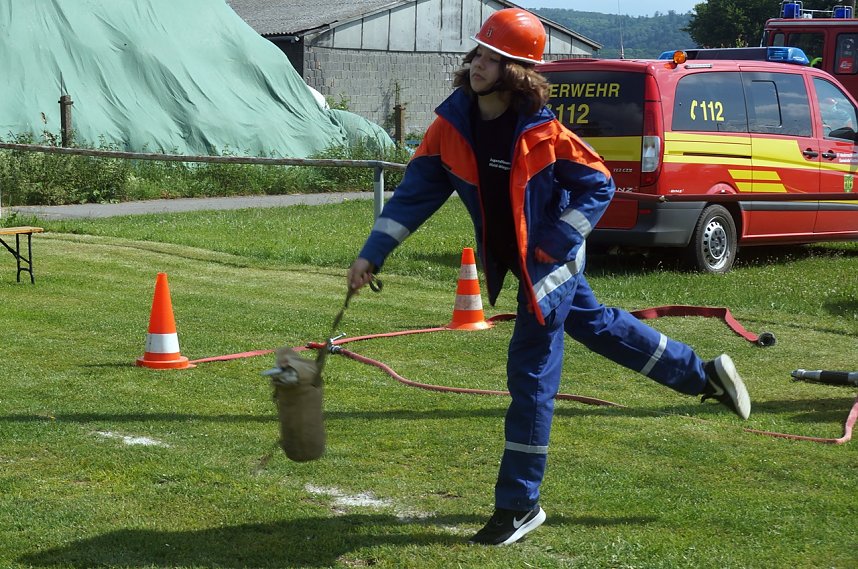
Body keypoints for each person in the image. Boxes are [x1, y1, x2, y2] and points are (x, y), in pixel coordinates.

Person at [347, 8, 751, 547]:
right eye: (479, 54)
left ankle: (519, 505)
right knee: (601, 326)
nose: (479, 65)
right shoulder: (450, 126)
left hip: (551, 266)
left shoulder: (546, 133)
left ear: (517, 71)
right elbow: (414, 195)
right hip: (524, 261)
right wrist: (373, 253)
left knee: (531, 376)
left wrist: (557, 243)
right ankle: (701, 375)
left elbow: (599, 186)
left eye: (494, 58)